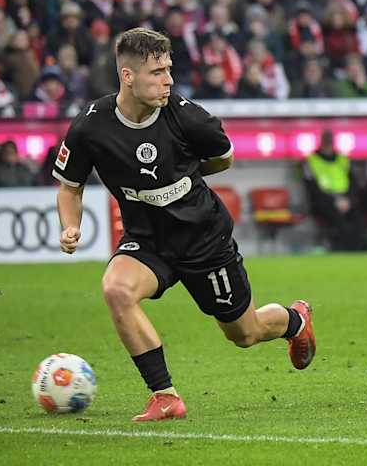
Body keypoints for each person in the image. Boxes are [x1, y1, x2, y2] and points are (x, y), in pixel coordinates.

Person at [53, 28, 316, 422]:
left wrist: (187, 175)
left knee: (244, 334)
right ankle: (165, 396)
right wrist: (69, 226)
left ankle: (295, 320)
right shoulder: (92, 126)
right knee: (117, 289)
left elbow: (222, 158)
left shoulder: (188, 118)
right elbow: (69, 188)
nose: (168, 80)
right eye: (157, 72)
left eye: (169, 69)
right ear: (128, 76)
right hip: (148, 240)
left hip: (204, 240)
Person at [303, 128, 367, 251]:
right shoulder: (311, 161)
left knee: (359, 220)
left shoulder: (343, 159)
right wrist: (334, 201)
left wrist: (348, 200)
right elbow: (312, 189)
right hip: (324, 201)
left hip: (345, 199)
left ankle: (361, 250)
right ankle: (343, 250)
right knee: (339, 222)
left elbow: (353, 184)